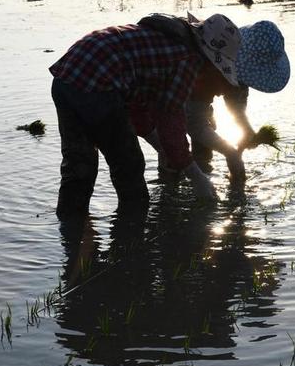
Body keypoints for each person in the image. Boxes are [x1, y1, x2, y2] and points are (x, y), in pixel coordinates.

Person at [49, 13, 243, 217]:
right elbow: (170, 121)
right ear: (211, 59)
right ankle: (133, 226)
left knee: (79, 164)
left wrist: (161, 147)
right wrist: (197, 178)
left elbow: (137, 108)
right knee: (129, 166)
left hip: (68, 75)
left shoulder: (166, 43)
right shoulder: (188, 58)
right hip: (99, 83)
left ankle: (70, 225)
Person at [133, 17, 290, 182]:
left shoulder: (238, 72)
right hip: (164, 97)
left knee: (201, 146)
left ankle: (198, 170)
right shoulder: (206, 63)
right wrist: (229, 152)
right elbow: (193, 122)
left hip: (190, 101)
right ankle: (171, 182)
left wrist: (247, 132)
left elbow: (236, 109)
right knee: (172, 148)